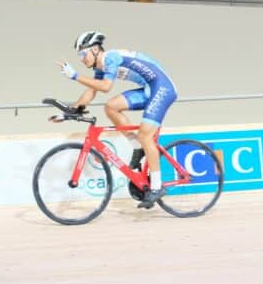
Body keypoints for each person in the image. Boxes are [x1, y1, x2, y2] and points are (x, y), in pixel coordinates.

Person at [57, 31, 178, 208]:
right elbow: (92, 91)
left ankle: (157, 187)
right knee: (111, 107)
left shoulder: (111, 58)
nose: (81, 59)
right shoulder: (101, 67)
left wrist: (75, 76)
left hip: (162, 88)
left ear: (96, 49)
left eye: (83, 54)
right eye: (79, 56)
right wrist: (72, 110)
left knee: (145, 136)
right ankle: (137, 147)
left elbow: (105, 87)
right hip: (148, 89)